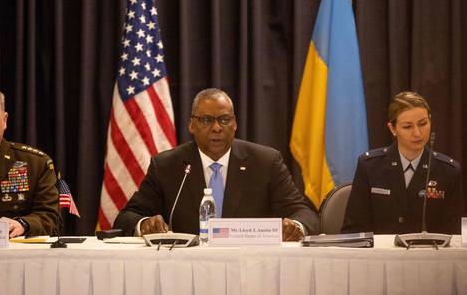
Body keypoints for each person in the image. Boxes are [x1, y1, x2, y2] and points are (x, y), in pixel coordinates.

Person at [114, 88, 320, 241]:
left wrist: (296, 226)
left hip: (248, 265)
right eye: (206, 120)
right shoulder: (167, 165)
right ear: (191, 125)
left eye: (224, 120)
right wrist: (145, 224)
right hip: (185, 267)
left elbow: (305, 214)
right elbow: (126, 217)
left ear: (235, 124)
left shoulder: (265, 162)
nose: (216, 128)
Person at [342, 91, 463, 234]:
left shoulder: (449, 171)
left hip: (428, 255)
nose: (417, 133)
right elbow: (354, 230)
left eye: (423, 124)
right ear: (393, 129)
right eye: (407, 126)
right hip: (380, 255)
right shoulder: (369, 166)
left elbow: (454, 234)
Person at [0, 84, 59, 238]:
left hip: (15, 259)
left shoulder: (35, 163)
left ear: (4, 120)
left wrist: (23, 224)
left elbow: (50, 217)